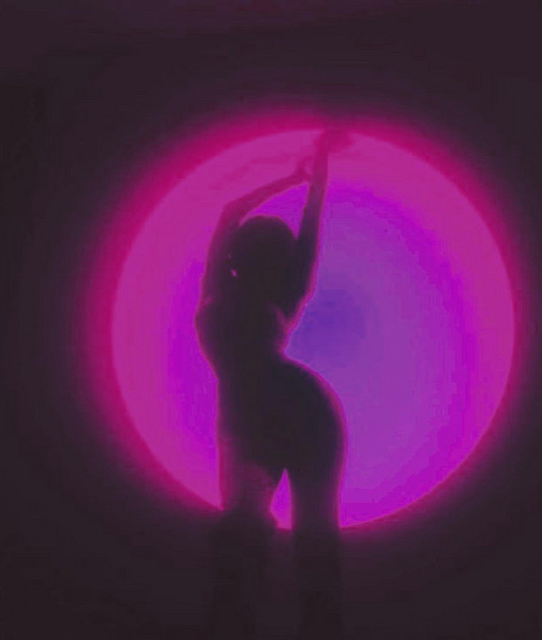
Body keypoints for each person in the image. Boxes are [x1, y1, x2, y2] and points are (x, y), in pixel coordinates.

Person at [196, 130, 347, 640]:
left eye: (271, 253)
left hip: (302, 412)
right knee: (242, 534)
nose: (262, 260)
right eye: (256, 251)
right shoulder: (221, 285)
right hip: (247, 419)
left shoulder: (284, 290)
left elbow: (311, 224)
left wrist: (317, 171)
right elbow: (230, 212)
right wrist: (295, 175)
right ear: (241, 257)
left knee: (312, 539)